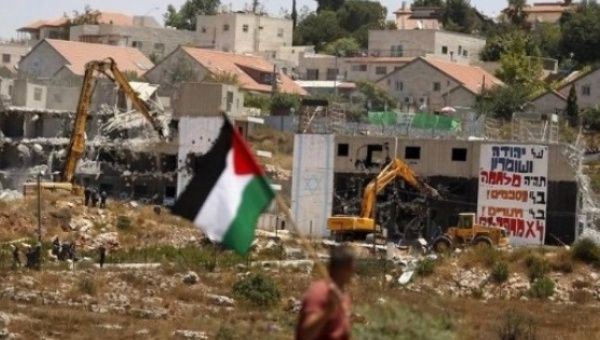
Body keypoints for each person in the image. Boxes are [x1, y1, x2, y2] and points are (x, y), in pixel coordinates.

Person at [296, 245, 356, 340]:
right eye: (352, 266)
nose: (354, 270)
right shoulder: (319, 292)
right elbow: (306, 334)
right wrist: (327, 312)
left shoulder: (343, 294)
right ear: (343, 268)